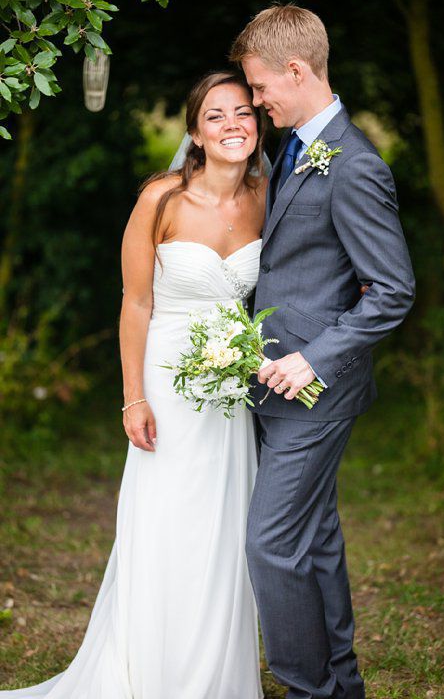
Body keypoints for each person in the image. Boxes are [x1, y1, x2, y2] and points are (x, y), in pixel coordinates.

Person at [0, 71, 268, 698]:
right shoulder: (162, 199)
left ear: (258, 124)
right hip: (170, 380)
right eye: (215, 115)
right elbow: (136, 304)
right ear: (195, 135)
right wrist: (134, 397)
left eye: (243, 112)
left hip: (230, 389)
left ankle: (215, 674)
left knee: (225, 524)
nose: (233, 124)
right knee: (168, 519)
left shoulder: (264, 195)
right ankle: (151, 670)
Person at [229, 5, 415, 699]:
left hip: (313, 388)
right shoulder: (297, 147)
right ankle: (340, 683)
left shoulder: (354, 164)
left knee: (271, 544)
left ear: (297, 70)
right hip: (272, 382)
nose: (255, 100)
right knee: (315, 539)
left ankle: (305, 687)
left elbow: (393, 289)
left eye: (260, 86)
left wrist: (312, 357)